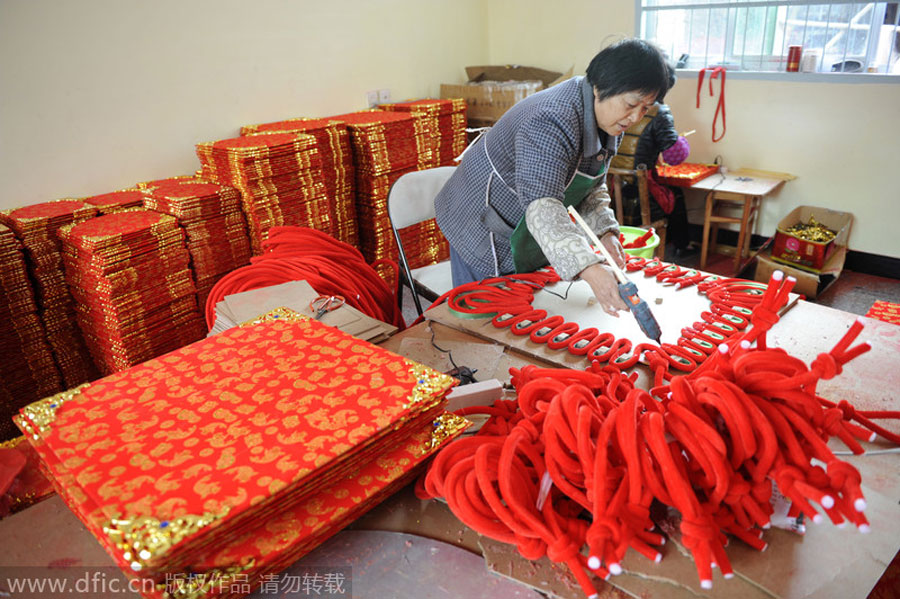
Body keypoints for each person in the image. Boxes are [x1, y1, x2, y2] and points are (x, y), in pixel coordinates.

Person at [434, 38, 672, 316]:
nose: (635, 117)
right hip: (477, 220)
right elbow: (543, 207)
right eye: (631, 104)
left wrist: (604, 234)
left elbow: (591, 187)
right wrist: (590, 268)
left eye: (645, 108)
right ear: (600, 86)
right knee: (483, 320)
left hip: (521, 220)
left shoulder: (609, 120)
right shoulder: (551, 119)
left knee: (521, 310)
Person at [609, 85, 694, 256]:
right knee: (676, 194)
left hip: (612, 188)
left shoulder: (616, 103)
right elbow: (673, 157)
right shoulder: (659, 112)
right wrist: (682, 141)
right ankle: (681, 247)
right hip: (642, 193)